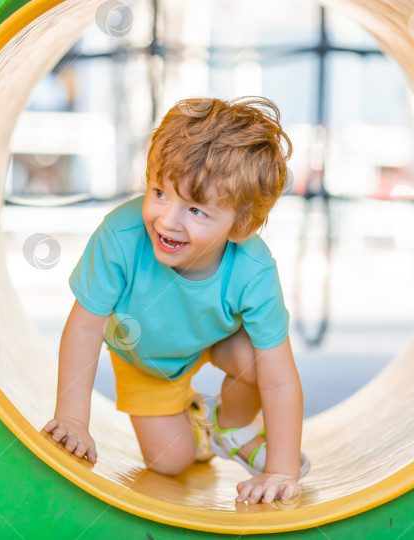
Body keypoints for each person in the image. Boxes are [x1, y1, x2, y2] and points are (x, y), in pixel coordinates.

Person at [42, 96, 309, 504]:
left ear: (241, 225)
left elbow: (279, 377)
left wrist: (282, 470)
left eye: (197, 210)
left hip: (217, 337)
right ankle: (199, 427)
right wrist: (73, 419)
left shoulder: (253, 268)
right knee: (172, 461)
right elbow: (84, 326)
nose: (168, 220)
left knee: (256, 364)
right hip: (145, 356)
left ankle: (231, 427)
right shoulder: (121, 236)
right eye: (159, 192)